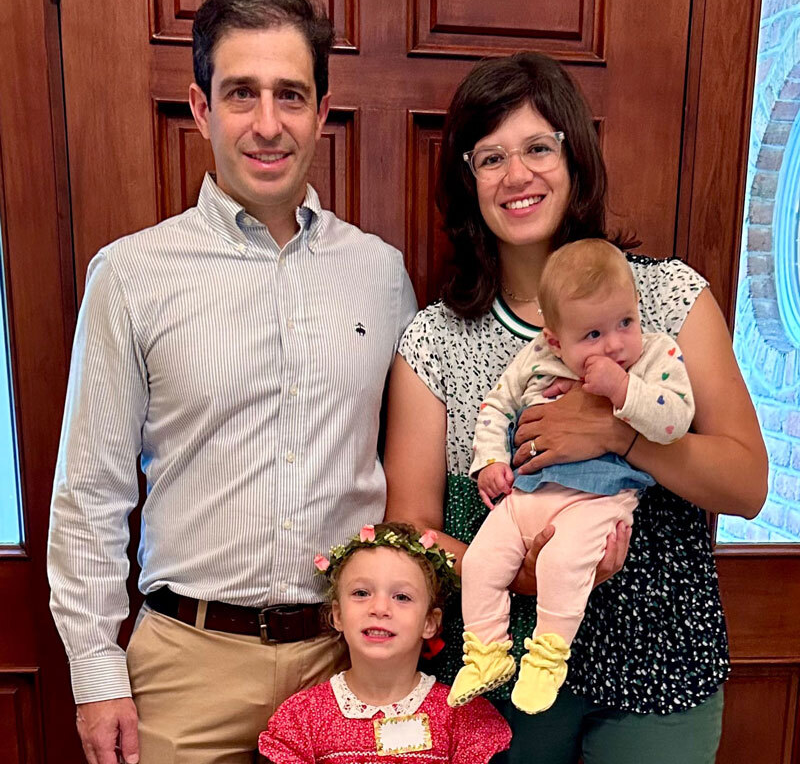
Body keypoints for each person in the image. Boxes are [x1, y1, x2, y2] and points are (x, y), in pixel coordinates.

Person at [47, 0, 416, 764]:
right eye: (241, 93)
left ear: (322, 110)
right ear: (201, 108)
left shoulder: (381, 276)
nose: (268, 123)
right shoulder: (131, 276)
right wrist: (94, 669)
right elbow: (91, 492)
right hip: (187, 668)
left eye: (291, 94)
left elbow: (408, 464)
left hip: (347, 664)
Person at [384, 51, 767, 764]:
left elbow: (747, 485)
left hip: (661, 667)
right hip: (505, 680)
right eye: (490, 157)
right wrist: (515, 568)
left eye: (537, 147)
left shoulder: (669, 300)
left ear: (576, 158)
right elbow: (410, 530)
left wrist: (618, 437)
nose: (517, 175)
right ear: (468, 183)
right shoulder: (434, 339)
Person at [449, 238, 694, 715]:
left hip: (600, 498)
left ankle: (546, 658)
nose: (615, 344)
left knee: (561, 563)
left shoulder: (655, 356)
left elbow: (675, 421)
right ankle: (487, 653)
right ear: (555, 338)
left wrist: (623, 391)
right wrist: (490, 461)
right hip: (529, 490)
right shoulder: (538, 356)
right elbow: (497, 406)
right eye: (592, 335)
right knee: (480, 562)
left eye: (625, 322)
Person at [257, 522, 511, 763]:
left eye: (401, 596)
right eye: (361, 593)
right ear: (337, 615)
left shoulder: (462, 716)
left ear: (429, 623)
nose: (379, 608)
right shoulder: (303, 717)